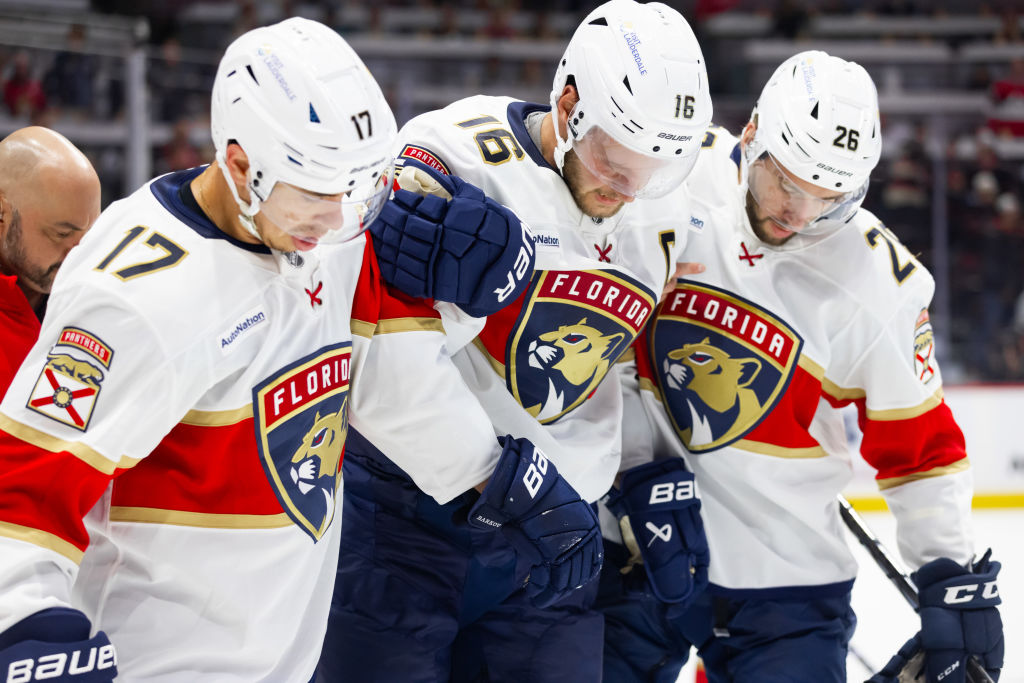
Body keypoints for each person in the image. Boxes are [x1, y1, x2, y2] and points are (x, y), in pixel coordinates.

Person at [0, 17, 561, 682]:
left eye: (355, 190)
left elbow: (385, 375)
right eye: (318, 193)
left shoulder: (315, 237)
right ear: (240, 163)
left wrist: (499, 477)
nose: (336, 218)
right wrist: (25, 621)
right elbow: (28, 476)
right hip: (152, 664)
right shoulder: (137, 297)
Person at [318, 1, 713, 681]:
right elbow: (383, 361)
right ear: (568, 103)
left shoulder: (663, 204)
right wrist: (501, 480)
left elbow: (612, 357)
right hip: (407, 526)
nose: (627, 186)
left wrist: (642, 469)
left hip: (553, 545)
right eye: (615, 158)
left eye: (651, 167)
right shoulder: (455, 156)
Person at [598, 50, 1004, 683]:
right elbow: (593, 324)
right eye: (785, 182)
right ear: (752, 133)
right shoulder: (669, 170)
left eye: (829, 198)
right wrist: (630, 467)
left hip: (782, 578)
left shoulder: (876, 280)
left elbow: (921, 450)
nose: (799, 213)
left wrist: (950, 574)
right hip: (630, 545)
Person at [0, 126, 100, 390]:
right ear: (2, 212)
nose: (79, 253)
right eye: (62, 233)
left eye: (89, 235)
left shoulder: (96, 305)